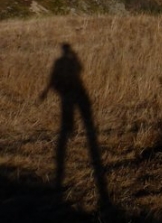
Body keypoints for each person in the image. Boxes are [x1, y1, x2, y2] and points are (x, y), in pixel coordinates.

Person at [40, 43, 110, 207]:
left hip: (71, 91)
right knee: (77, 121)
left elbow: (57, 76)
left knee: (70, 121)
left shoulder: (61, 61)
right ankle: (73, 131)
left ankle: (70, 132)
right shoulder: (64, 61)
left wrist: (50, 90)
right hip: (72, 92)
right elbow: (76, 70)